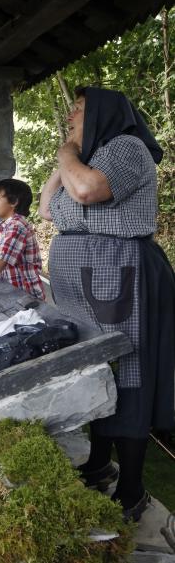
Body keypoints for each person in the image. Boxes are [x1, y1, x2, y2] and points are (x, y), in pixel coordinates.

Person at [39, 86, 175, 522]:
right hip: (92, 282)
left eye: (77, 111)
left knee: (127, 374)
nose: (70, 119)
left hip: (121, 277)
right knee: (97, 371)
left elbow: (86, 192)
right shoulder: (89, 156)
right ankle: (100, 463)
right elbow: (46, 207)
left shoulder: (127, 148)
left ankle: (132, 489)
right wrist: (68, 156)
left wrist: (65, 156)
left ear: (102, 114)